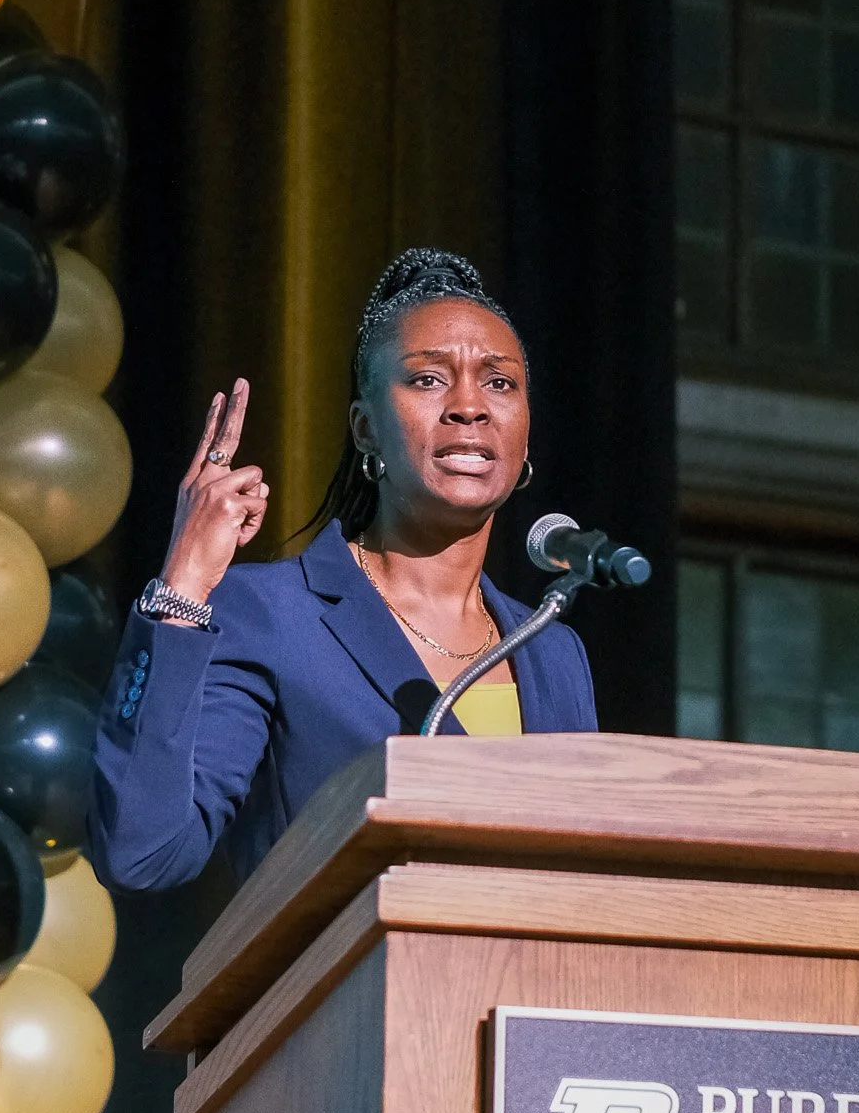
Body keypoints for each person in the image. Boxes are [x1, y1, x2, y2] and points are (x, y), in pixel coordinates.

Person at [87, 248, 598, 894]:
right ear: (365, 430)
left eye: (500, 382)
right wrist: (182, 587)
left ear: (525, 432)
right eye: (428, 379)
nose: (470, 406)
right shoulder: (272, 615)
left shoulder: (552, 649)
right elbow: (143, 851)